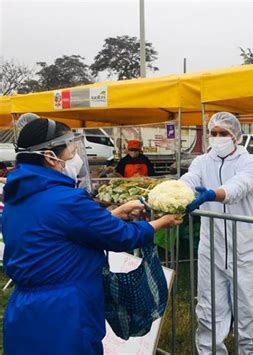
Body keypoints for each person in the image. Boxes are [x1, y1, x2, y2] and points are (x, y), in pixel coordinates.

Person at [2, 118, 182, 355]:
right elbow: (121, 237)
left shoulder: (18, 195)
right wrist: (161, 222)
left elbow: (60, 231)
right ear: (49, 156)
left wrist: (113, 214)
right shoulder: (65, 200)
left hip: (25, 309)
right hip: (65, 312)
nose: (74, 159)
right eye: (71, 152)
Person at [181, 112, 253, 354]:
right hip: (211, 247)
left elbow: (239, 186)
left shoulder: (250, 163)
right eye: (213, 133)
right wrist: (177, 191)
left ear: (236, 136)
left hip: (243, 248)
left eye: (223, 133)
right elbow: (189, 179)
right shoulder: (202, 162)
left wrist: (212, 194)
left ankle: (248, 351)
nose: (217, 138)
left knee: (247, 310)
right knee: (209, 309)